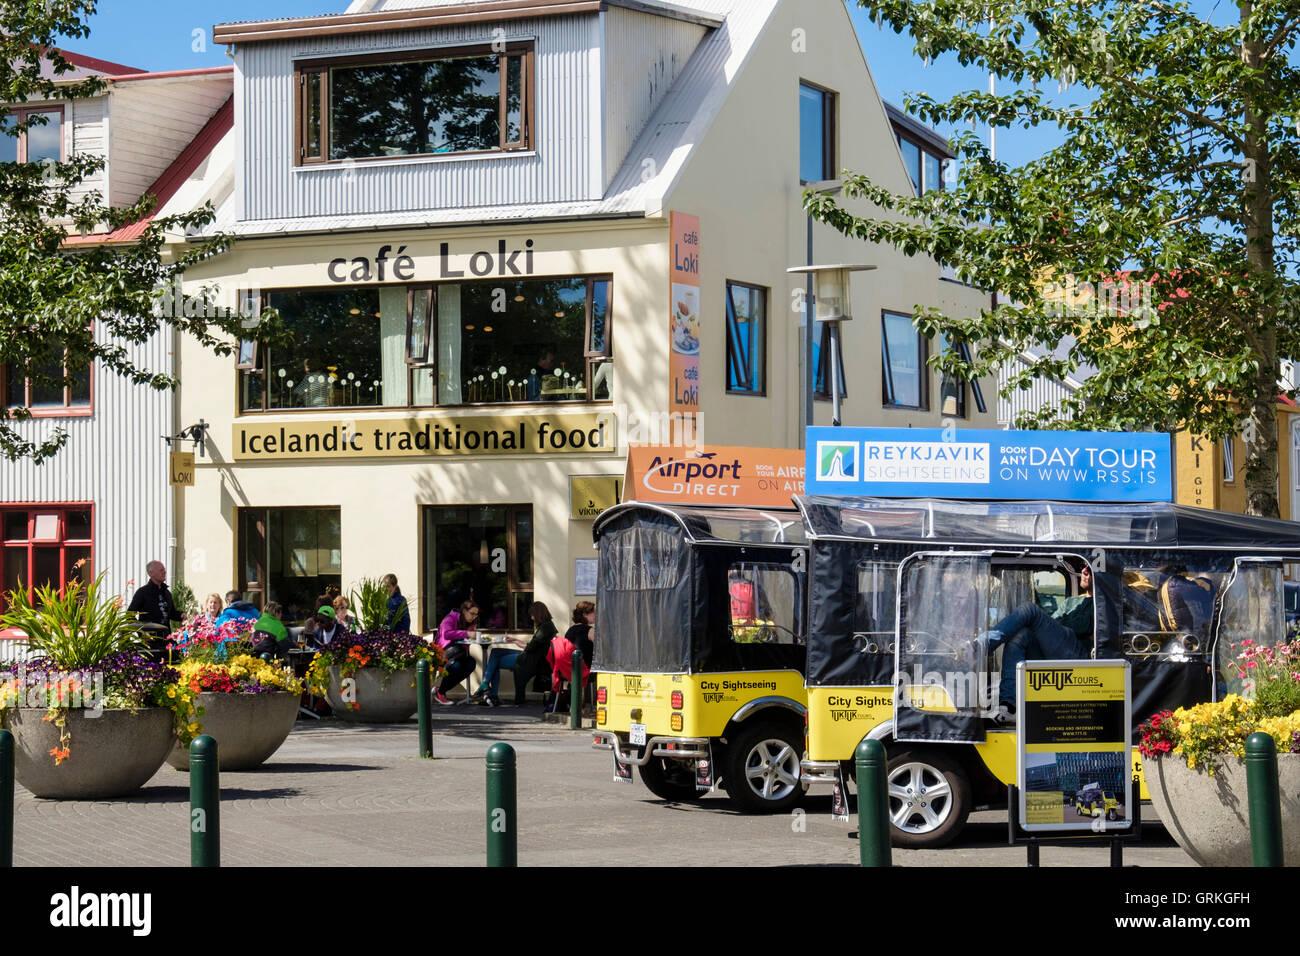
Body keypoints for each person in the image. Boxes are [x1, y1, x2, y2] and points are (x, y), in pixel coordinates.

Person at [984, 564, 1095, 721]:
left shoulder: (1104, 605)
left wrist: (1061, 625)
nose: (1084, 572)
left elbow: (1085, 625)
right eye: (1083, 568)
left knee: (1029, 609)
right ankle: (1009, 706)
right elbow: (1055, 622)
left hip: (1080, 657)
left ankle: (982, 646)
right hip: (1057, 650)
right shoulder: (1071, 602)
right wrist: (1060, 626)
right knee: (1020, 635)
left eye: (1089, 570)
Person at [434, 601, 478, 705]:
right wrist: (466, 633)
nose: (474, 617)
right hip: (444, 652)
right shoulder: (450, 618)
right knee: (456, 666)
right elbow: (447, 634)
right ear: (464, 611)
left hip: (460, 653)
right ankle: (441, 693)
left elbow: (467, 642)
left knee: (471, 663)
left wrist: (471, 637)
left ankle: (439, 690)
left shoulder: (471, 623)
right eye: (472, 613)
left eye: (476, 614)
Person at [126, 561, 182, 631]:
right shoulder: (142, 592)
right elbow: (129, 615)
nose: (164, 572)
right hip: (150, 639)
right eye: (161, 570)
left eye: (164, 570)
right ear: (151, 573)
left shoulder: (166, 592)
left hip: (166, 638)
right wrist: (142, 633)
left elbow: (172, 614)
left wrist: (182, 615)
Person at [566, 601, 595, 670]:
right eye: (594, 612)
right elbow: (602, 650)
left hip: (572, 671)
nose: (595, 615)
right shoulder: (590, 631)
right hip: (587, 671)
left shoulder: (569, 630)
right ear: (585, 614)